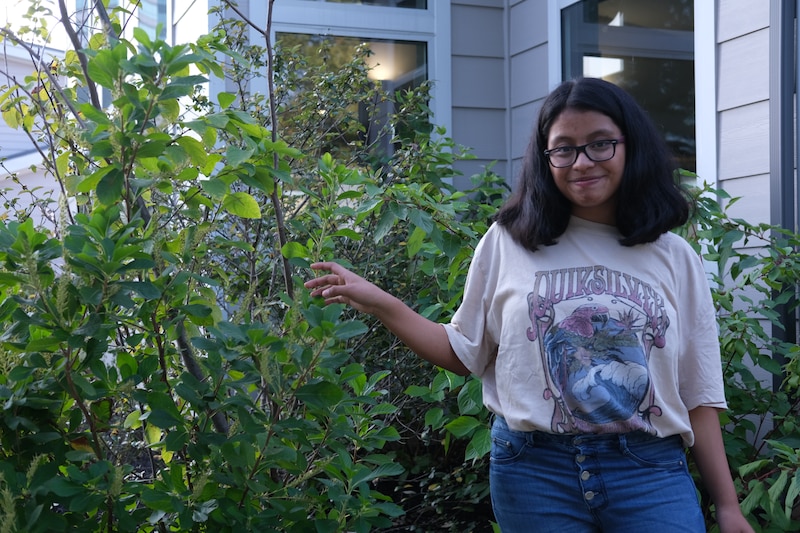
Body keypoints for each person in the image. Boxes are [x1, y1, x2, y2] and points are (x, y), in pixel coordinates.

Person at [304, 77, 753, 533]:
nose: (582, 162)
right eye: (564, 149)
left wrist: (728, 506)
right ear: (545, 158)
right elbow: (465, 352)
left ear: (630, 145)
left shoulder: (674, 255)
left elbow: (699, 390)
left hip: (647, 470)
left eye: (600, 144)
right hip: (535, 472)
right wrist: (380, 301)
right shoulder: (507, 241)